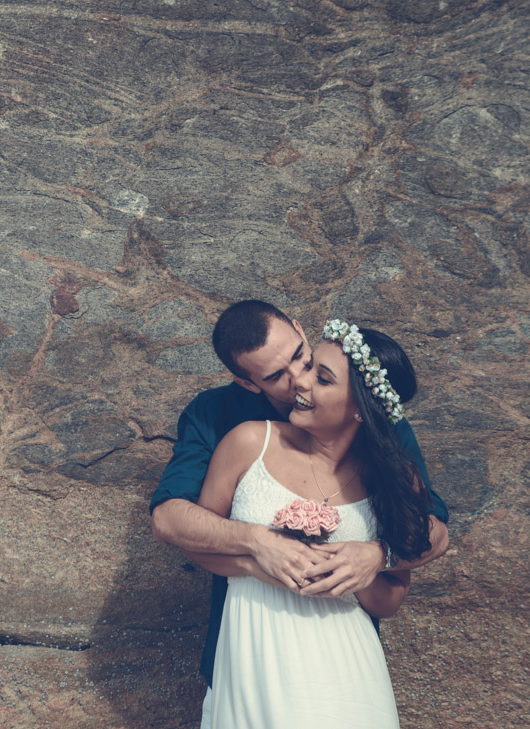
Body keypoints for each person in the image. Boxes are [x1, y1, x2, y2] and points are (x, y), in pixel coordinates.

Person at [150, 302, 449, 721]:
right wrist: (257, 545)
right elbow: (170, 519)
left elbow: (431, 531)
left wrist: (377, 555)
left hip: (345, 655)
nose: (298, 380)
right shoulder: (224, 421)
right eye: (276, 376)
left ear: (300, 329)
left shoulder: (376, 417)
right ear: (247, 382)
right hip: (250, 645)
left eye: (302, 359)